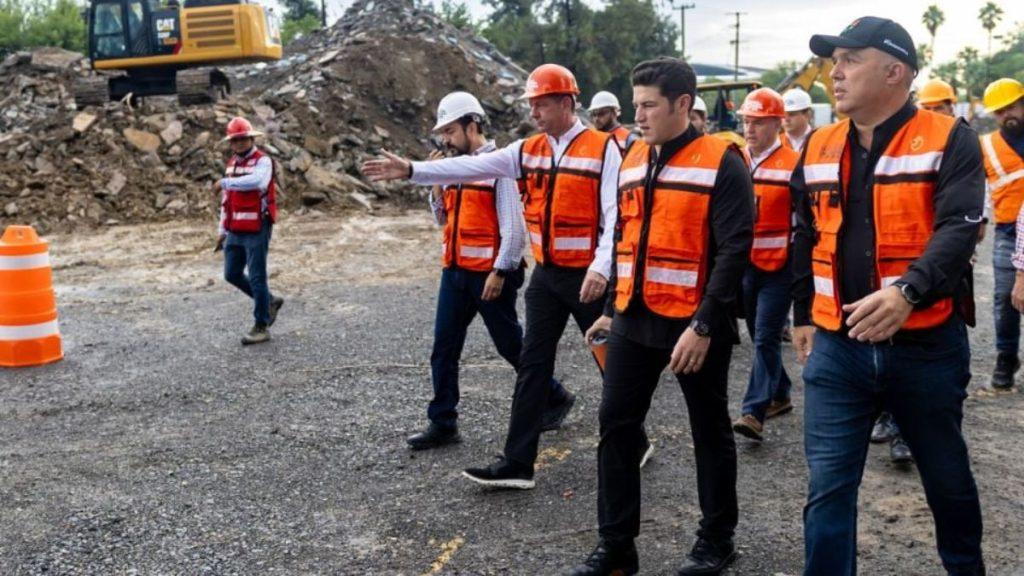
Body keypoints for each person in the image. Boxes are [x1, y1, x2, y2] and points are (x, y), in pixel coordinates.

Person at [362, 64, 653, 490]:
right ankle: (518, 463)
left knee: (610, 361)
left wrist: (601, 267)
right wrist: (412, 171)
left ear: (568, 103)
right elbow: (465, 168)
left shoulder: (603, 149)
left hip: (589, 277)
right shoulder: (527, 150)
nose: (534, 112)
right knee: (532, 365)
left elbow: (616, 217)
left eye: (542, 103)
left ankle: (636, 438)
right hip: (548, 278)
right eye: (531, 104)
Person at [791, 17, 985, 575]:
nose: (836, 71)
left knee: (946, 480)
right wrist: (803, 311)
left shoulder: (951, 138)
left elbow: (960, 226)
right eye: (834, 60)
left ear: (895, 71)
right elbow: (805, 229)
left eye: (850, 59)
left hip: (925, 346)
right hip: (838, 346)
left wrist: (907, 291)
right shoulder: (821, 144)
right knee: (827, 490)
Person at [568, 57, 753, 576]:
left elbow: (735, 250)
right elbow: (628, 241)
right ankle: (616, 548)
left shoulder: (723, 161)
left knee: (709, 429)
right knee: (616, 427)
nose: (639, 115)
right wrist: (610, 308)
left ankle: (717, 539)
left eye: (649, 105)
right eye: (636, 105)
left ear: (681, 105)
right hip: (634, 316)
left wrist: (705, 325)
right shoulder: (632, 158)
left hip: (695, 323)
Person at [406, 91, 568, 450]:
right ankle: (443, 422)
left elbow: (514, 227)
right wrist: (436, 185)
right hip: (456, 271)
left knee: (510, 344)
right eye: (443, 133)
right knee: (444, 348)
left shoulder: (500, 165)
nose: (445, 140)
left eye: (450, 131)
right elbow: (442, 220)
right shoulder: (451, 168)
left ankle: (555, 396)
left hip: (491, 274)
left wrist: (500, 270)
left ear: (472, 124)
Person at [730, 88, 799, 443]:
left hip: (780, 267)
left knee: (767, 335)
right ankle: (782, 393)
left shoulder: (794, 165)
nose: (750, 129)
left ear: (777, 123)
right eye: (746, 121)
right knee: (759, 335)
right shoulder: (737, 160)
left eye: (757, 122)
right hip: (745, 266)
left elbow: (805, 222)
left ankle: (753, 411)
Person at [215, 117, 284, 345]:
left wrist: (225, 182)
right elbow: (227, 201)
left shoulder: (263, 161)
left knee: (256, 276)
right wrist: (222, 228)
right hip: (235, 227)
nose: (240, 143)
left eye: (243, 139)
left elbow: (257, 183)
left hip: (257, 226)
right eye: (236, 140)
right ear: (231, 143)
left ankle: (261, 325)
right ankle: (269, 301)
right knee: (231, 273)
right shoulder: (232, 163)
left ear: (251, 138)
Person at [981, 77, 1024, 389]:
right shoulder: (986, 145)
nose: (1005, 114)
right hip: (1009, 232)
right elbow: (977, 189)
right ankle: (1006, 357)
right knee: (1006, 298)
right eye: (998, 111)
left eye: (1011, 106)